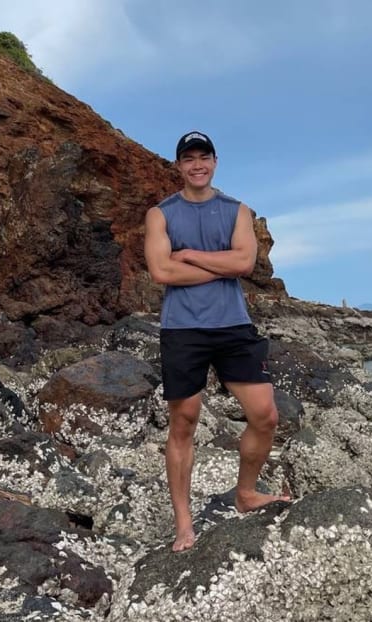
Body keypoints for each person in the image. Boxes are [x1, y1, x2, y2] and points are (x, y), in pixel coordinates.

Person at [144, 130, 289, 552]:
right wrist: (222, 266)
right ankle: (184, 524)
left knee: (265, 415)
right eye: (188, 159)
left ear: (215, 161)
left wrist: (188, 255)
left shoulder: (237, 210)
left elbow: (245, 261)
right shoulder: (161, 214)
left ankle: (246, 493)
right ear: (179, 166)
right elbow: (161, 273)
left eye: (203, 157)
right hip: (182, 328)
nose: (197, 165)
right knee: (184, 420)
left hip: (232, 326)